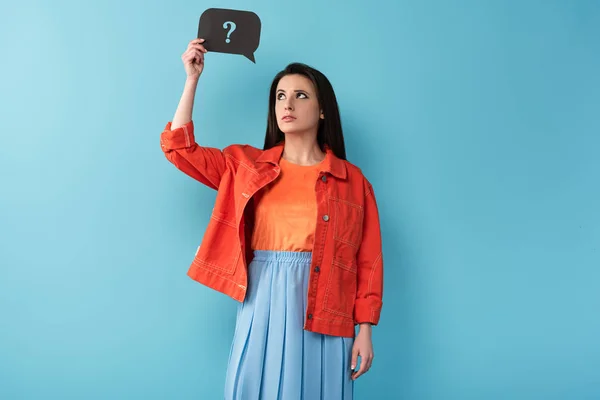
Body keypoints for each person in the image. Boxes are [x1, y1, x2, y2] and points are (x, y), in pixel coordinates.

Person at [159, 38, 384, 400]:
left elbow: (368, 261)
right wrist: (192, 79)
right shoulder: (246, 167)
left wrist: (365, 329)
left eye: (300, 96)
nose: (288, 104)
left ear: (323, 109)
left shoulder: (353, 182)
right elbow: (180, 149)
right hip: (262, 296)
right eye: (280, 96)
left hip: (328, 307)